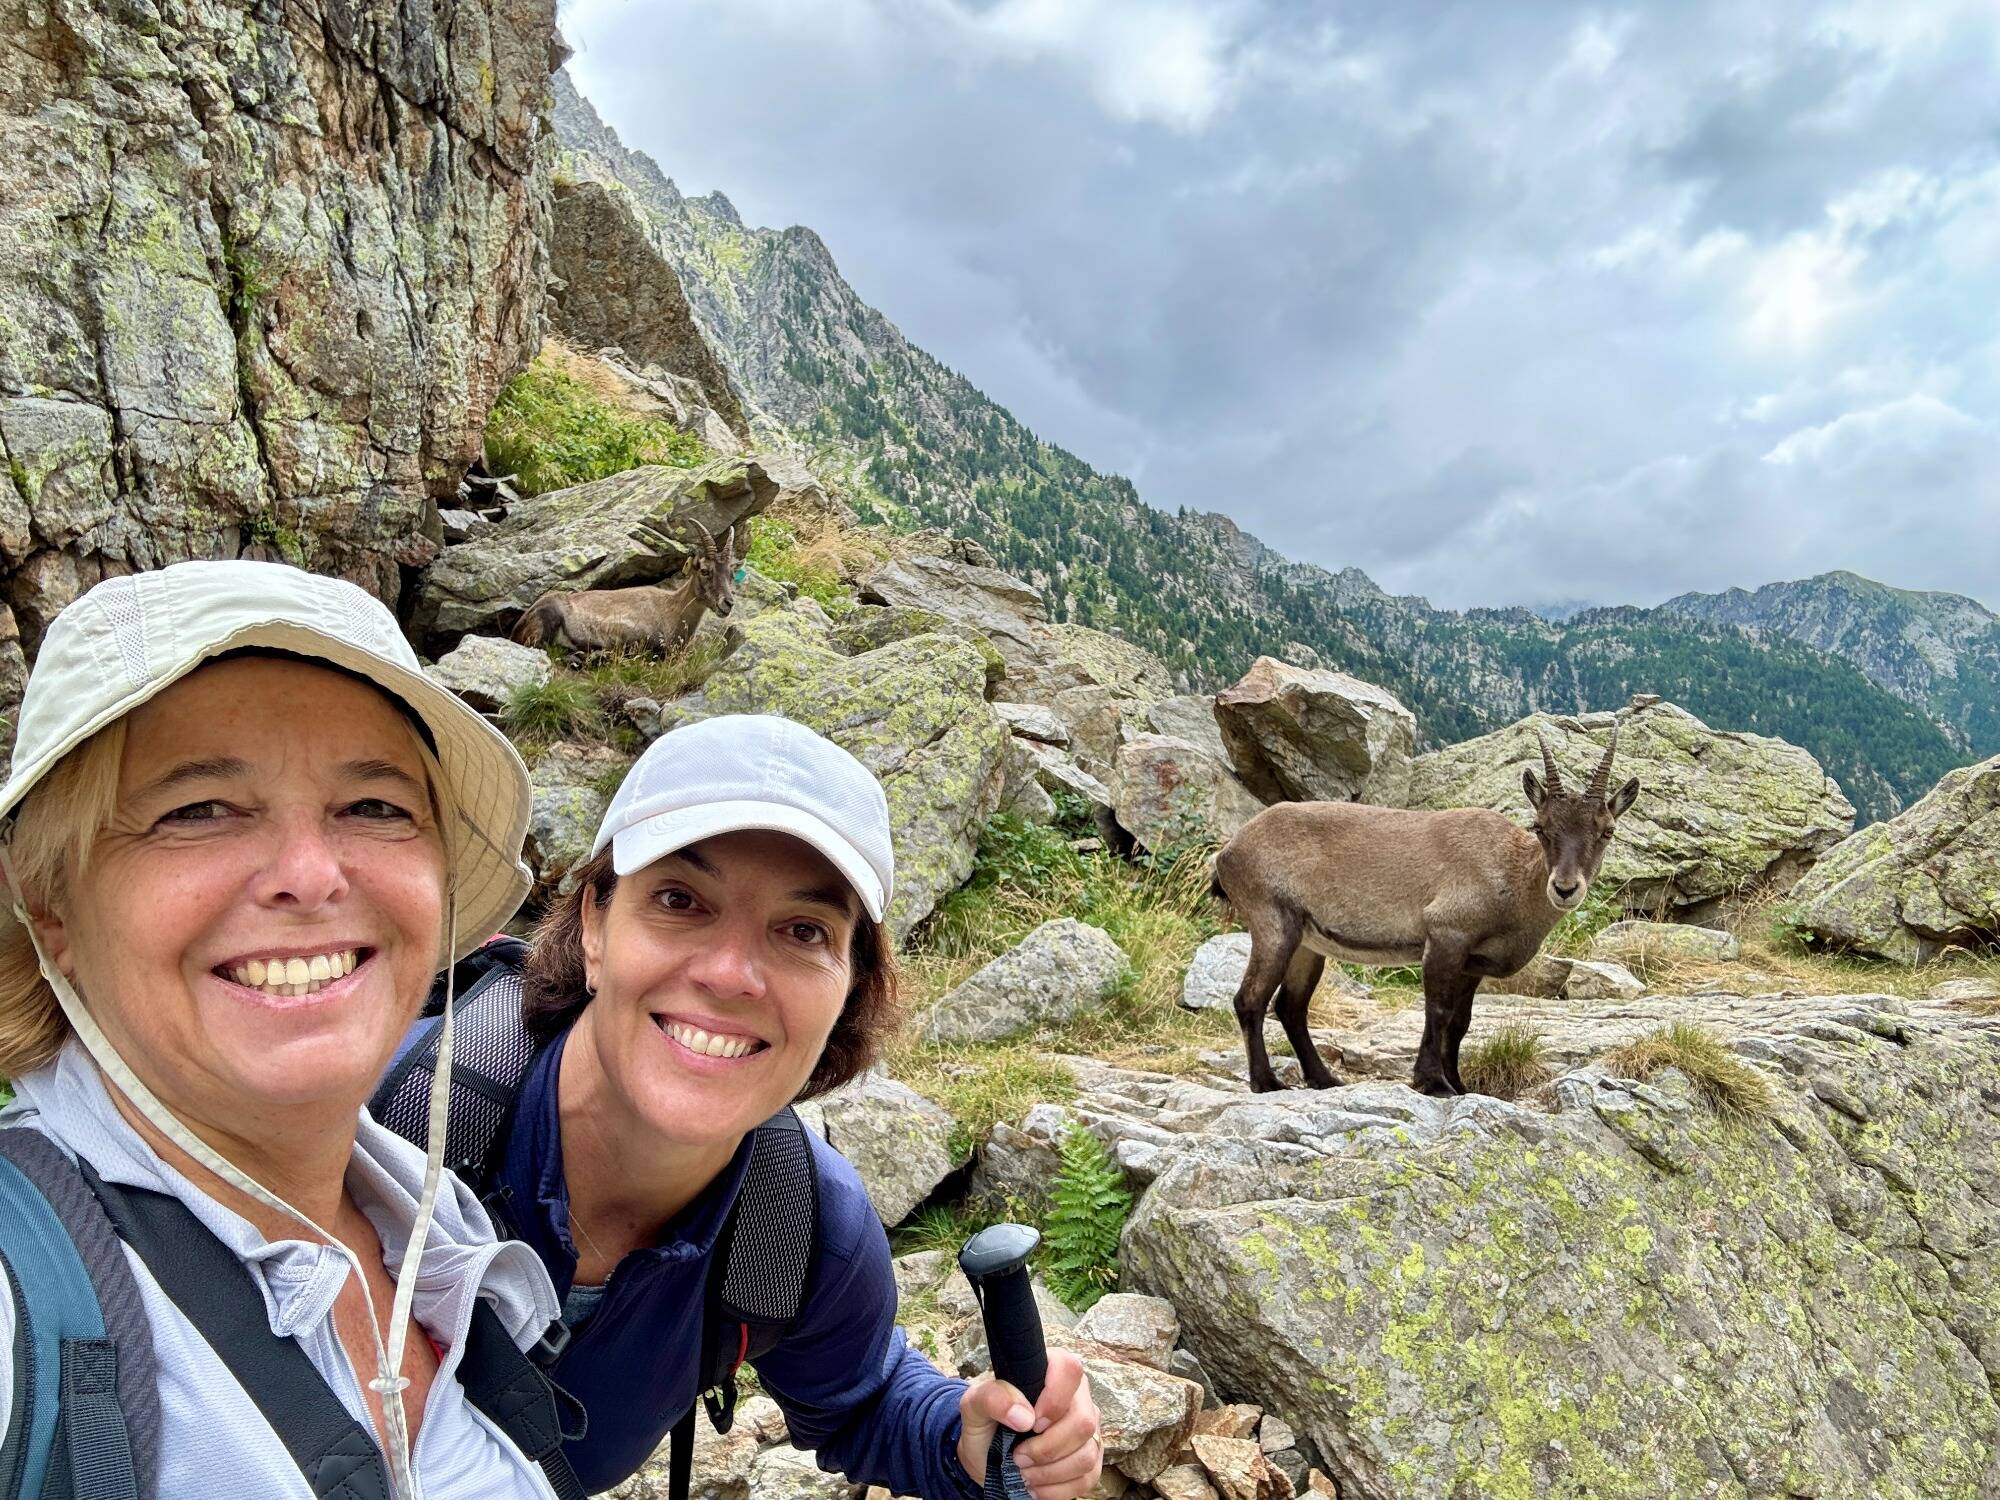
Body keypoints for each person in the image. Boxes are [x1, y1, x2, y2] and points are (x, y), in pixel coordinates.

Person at [390, 713, 1105, 1498]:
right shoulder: (387, 1113)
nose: (732, 974)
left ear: (850, 989)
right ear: (595, 923)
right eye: (679, 898)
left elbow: (863, 1400)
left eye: (802, 931)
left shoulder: (797, 1223)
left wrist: (965, 1439)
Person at [0, 560, 570, 1499]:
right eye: (197, 810)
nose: (310, 875)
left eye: (376, 807)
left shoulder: (439, 1234)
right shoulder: (27, 1300)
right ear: (50, 909)